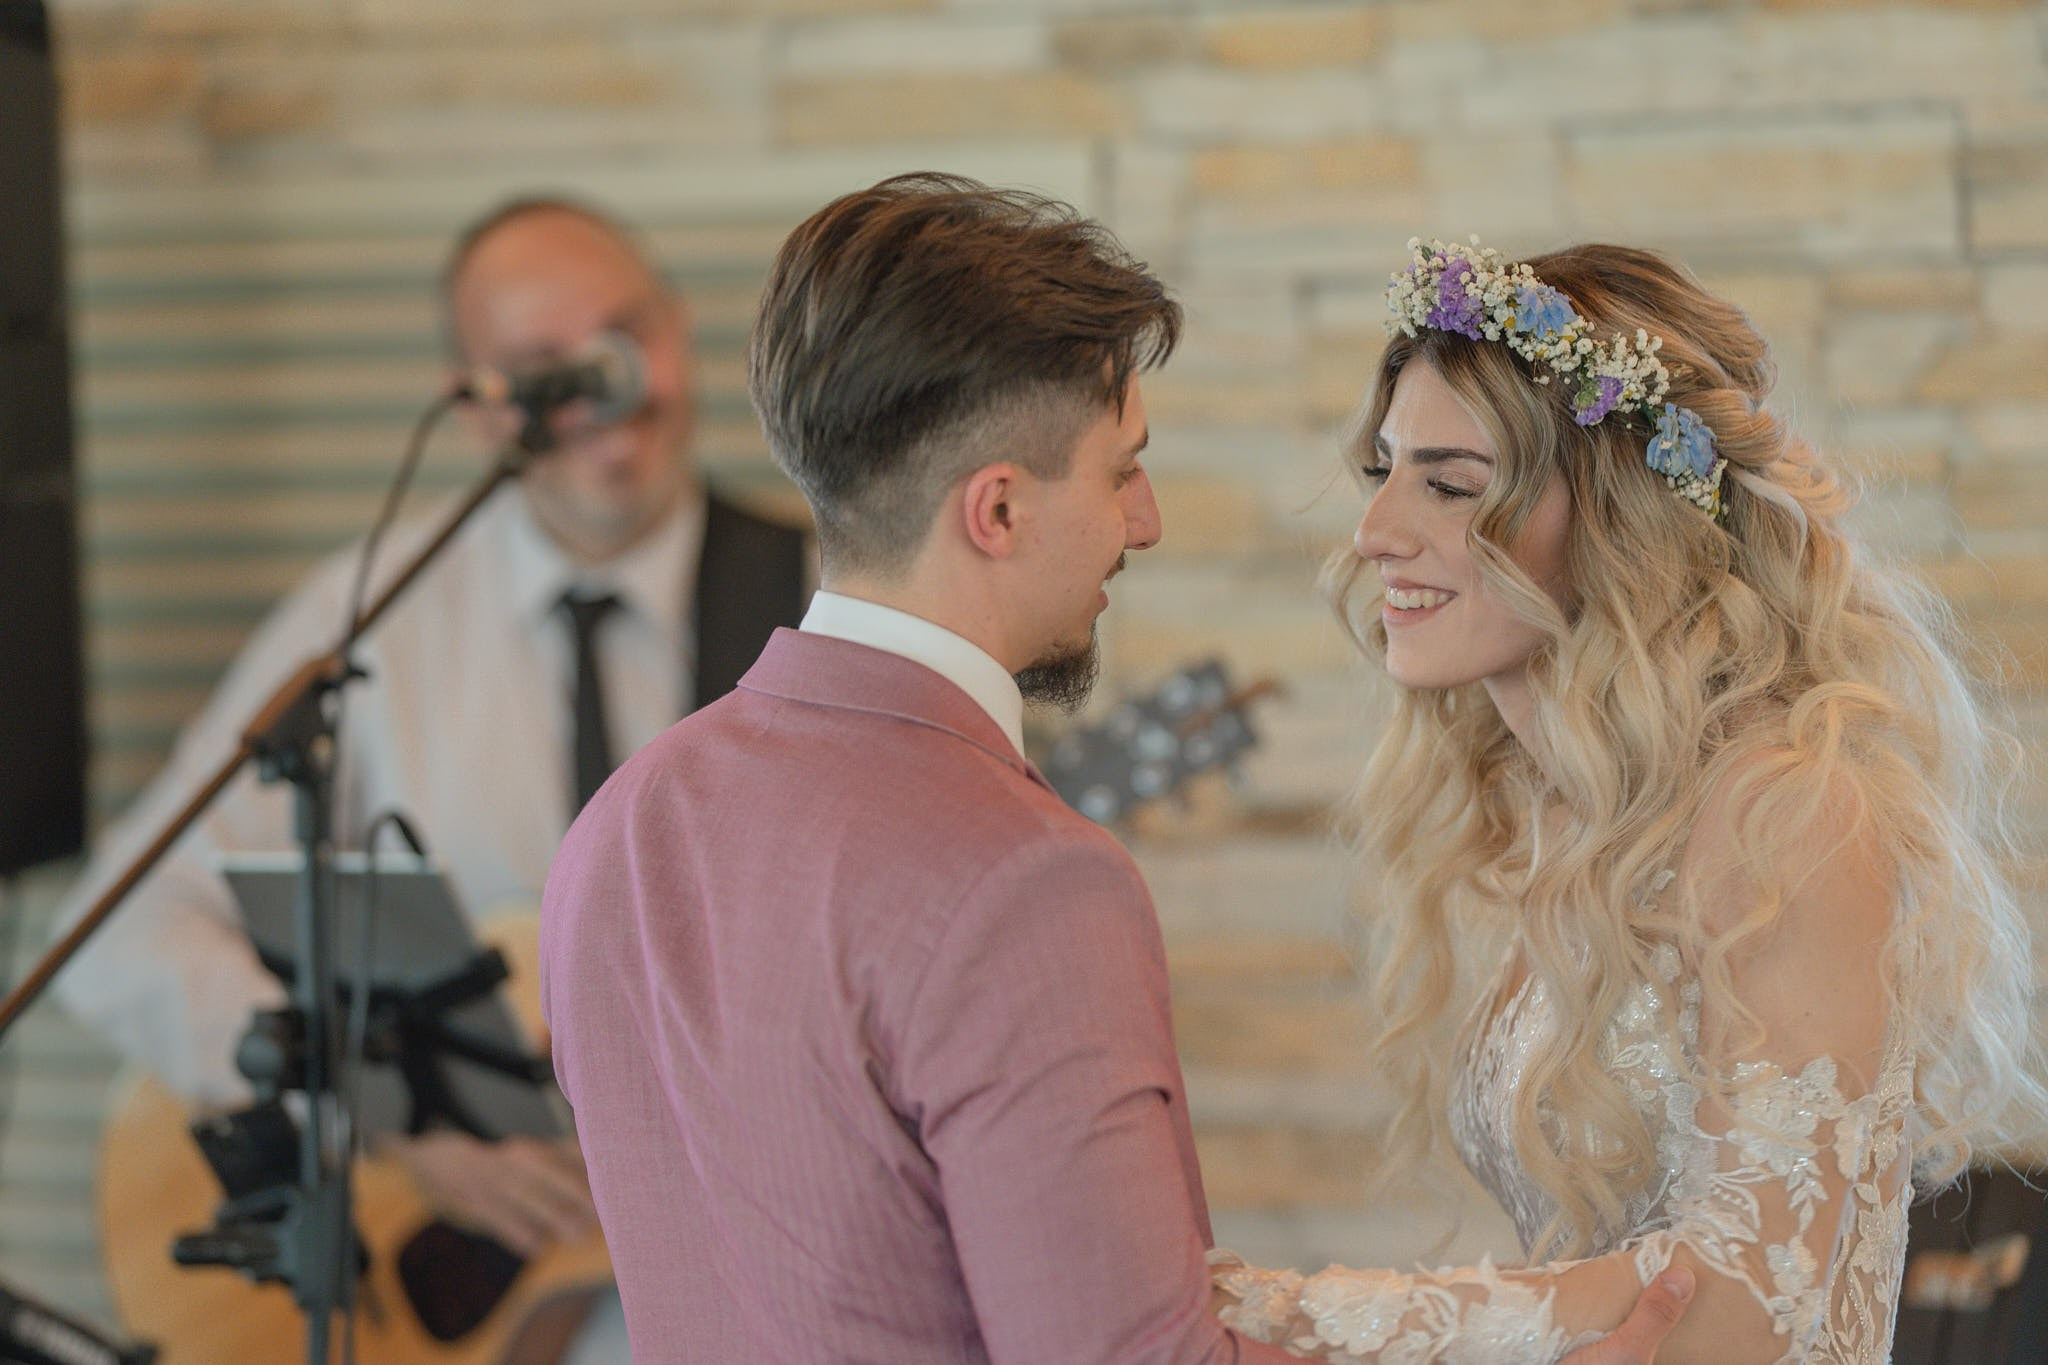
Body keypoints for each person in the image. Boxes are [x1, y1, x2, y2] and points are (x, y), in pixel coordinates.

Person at [540, 177, 1692, 1363]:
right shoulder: (1026, 883)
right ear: (994, 510)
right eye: (1116, 472)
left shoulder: (622, 825)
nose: (1141, 524)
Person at [1204, 237, 2043, 1362]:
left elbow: (1744, 1303)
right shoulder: (1581, 818)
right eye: (1383, 470)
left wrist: (1296, 1322)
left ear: (1613, 515)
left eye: (1448, 486)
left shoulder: (1784, 813)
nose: (1374, 533)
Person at [50, 196, 809, 1362]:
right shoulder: (372, 618)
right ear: (475, 408)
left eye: (623, 337)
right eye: (542, 369)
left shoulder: (822, 607)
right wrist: (382, 1117)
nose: (606, 393)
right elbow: (117, 934)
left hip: (734, 1276)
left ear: (679, 332)